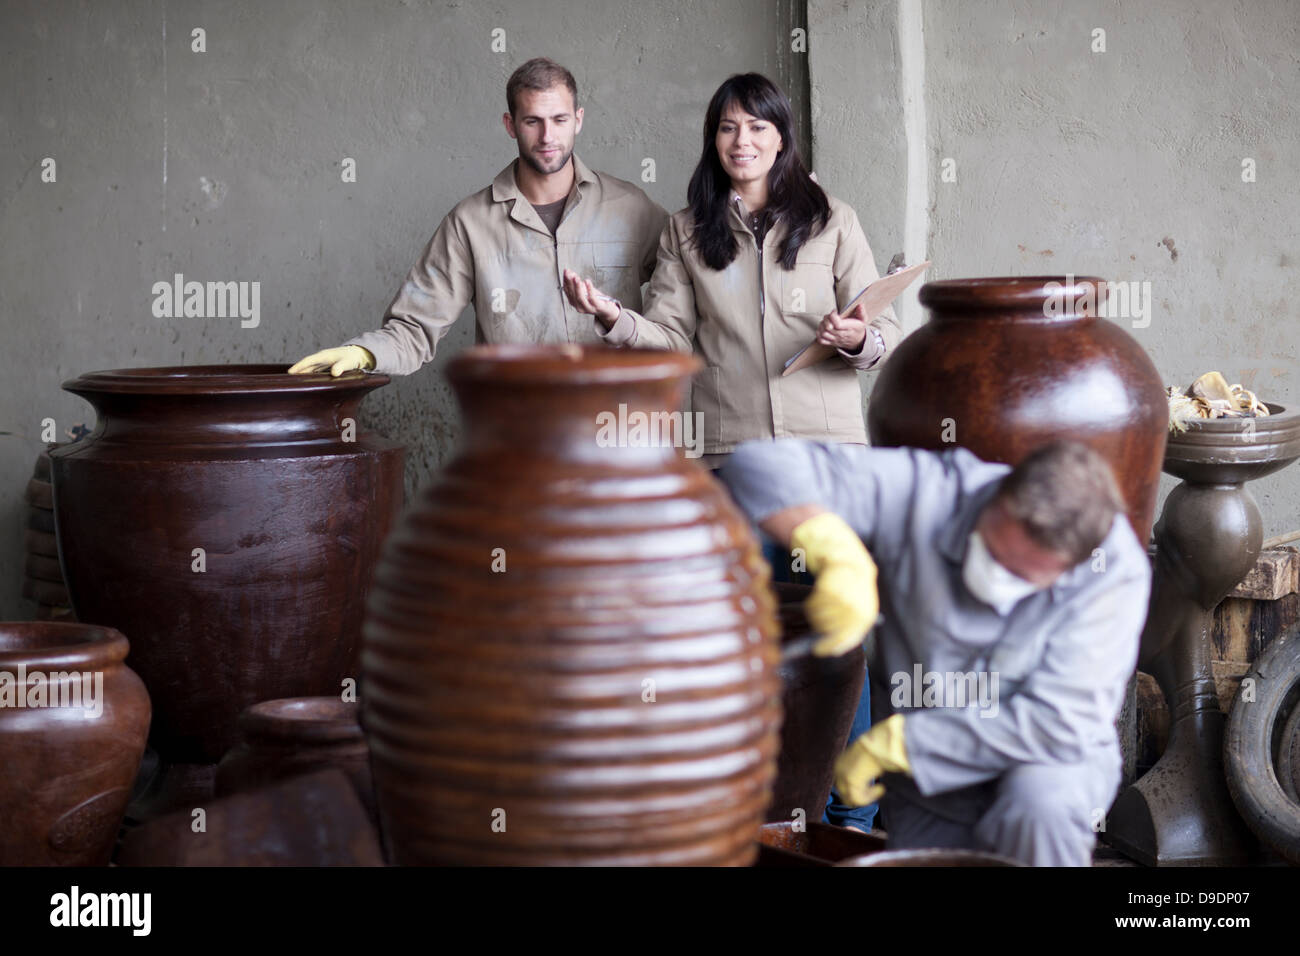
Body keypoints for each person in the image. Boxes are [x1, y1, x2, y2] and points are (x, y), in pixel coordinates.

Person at [718, 438, 1151, 866]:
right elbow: (758, 464)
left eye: (1022, 578)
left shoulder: (1112, 570)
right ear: (997, 498)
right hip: (927, 782)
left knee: (1042, 802)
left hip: (1038, 762)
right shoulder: (931, 493)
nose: (998, 584)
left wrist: (906, 744)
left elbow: (1059, 723)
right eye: (995, 554)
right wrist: (832, 548)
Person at [560, 72, 901, 470]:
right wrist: (615, 317)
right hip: (728, 451)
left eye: (758, 127)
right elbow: (671, 340)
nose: (742, 141)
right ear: (714, 141)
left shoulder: (834, 220)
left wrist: (857, 338)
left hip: (828, 446)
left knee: (824, 538)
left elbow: (887, 339)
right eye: (728, 128)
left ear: (781, 139)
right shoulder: (685, 229)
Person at [290, 57, 668, 377]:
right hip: (518, 439)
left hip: (620, 435)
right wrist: (364, 354)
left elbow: (687, 280)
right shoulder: (469, 224)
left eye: (560, 119)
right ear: (510, 125)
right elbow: (415, 329)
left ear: (579, 120)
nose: (548, 135)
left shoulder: (630, 207)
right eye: (532, 121)